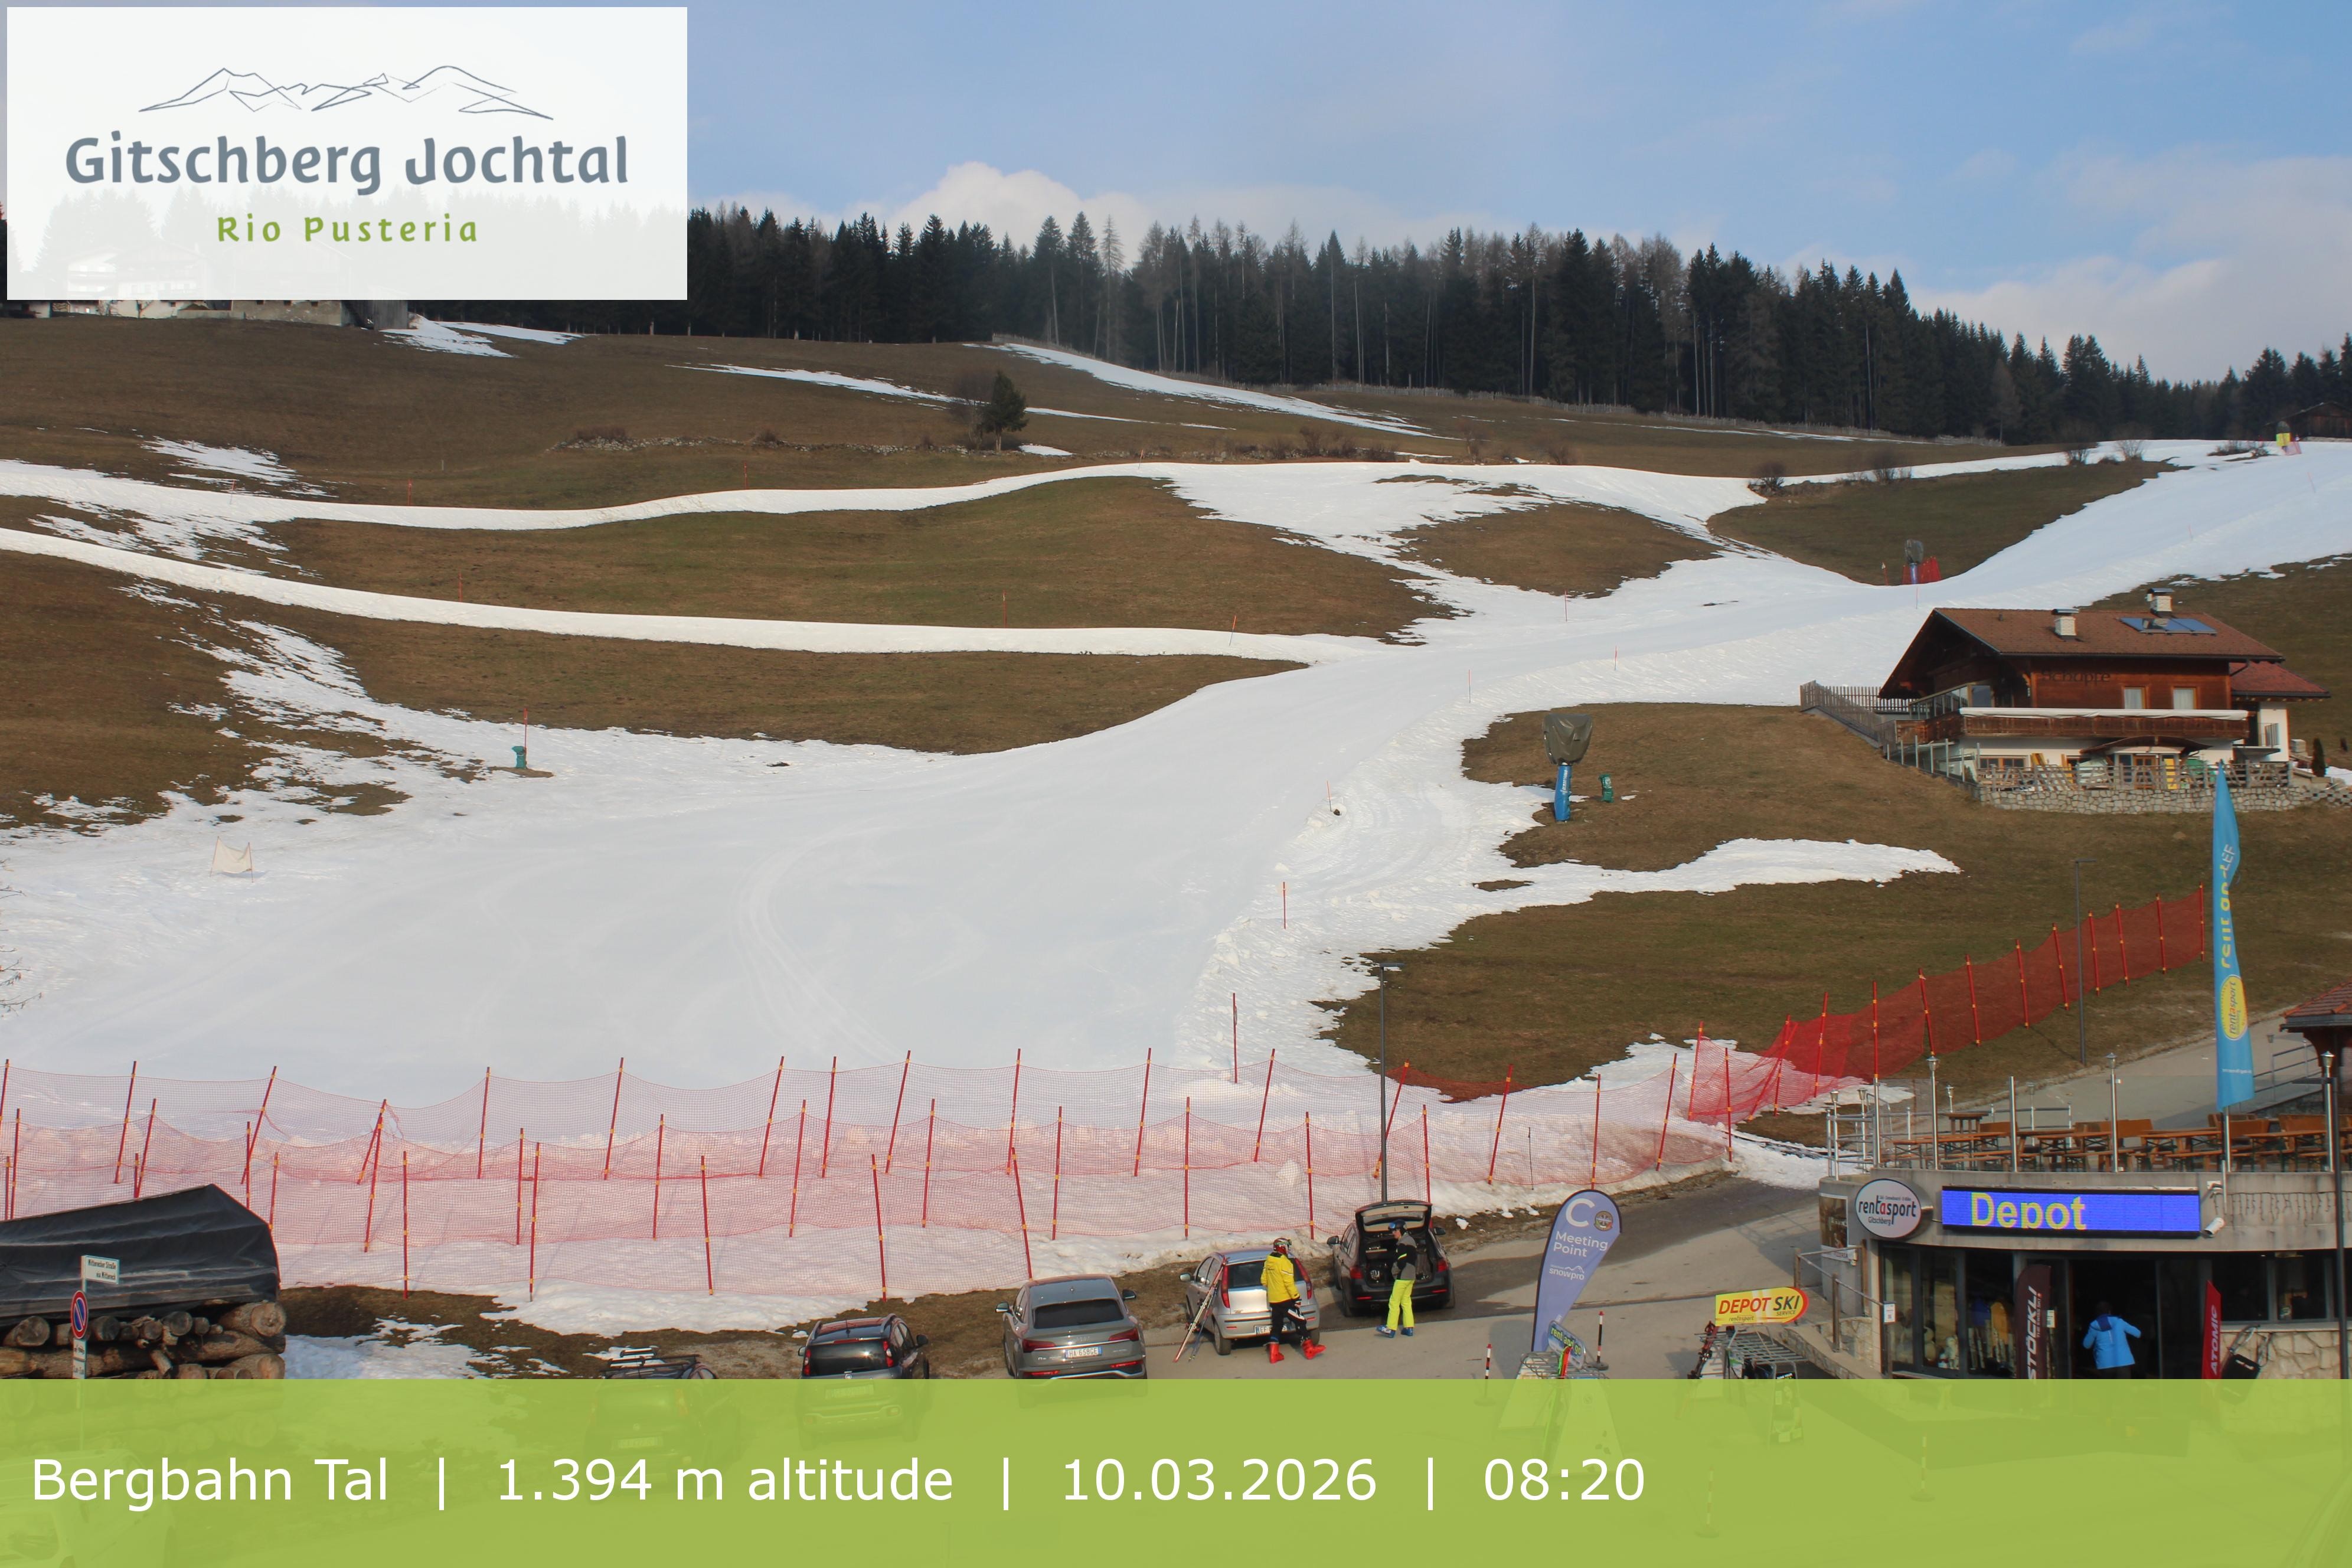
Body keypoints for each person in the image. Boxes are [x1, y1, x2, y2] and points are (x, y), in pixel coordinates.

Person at [1261, 1239, 1323, 1363]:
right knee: (1300, 1320)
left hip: (1274, 1300)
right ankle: (1309, 1349)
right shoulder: (1285, 1263)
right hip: (1285, 1299)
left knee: (1277, 1325)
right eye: (1287, 1247)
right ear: (1283, 1248)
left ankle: (1274, 1354)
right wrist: (1296, 1298)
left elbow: (1264, 1281)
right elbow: (1289, 1283)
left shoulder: (1269, 1261)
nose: (1289, 1249)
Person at [2082, 1301, 2141, 1378]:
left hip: (2105, 1364)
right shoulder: (2119, 1322)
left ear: (2097, 1313)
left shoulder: (2094, 1326)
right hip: (2123, 1361)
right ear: (2110, 1312)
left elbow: (2087, 1345)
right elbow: (2138, 1333)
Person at [1376, 1230, 1418, 1338]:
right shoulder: (1411, 1241)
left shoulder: (1402, 1244)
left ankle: (1390, 1329)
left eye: (1395, 1231)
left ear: (1401, 1231)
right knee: (1406, 1301)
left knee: (1394, 1302)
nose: (1393, 1233)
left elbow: (1402, 1262)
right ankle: (1409, 1328)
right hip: (1411, 1277)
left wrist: (1394, 1271)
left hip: (1402, 1278)